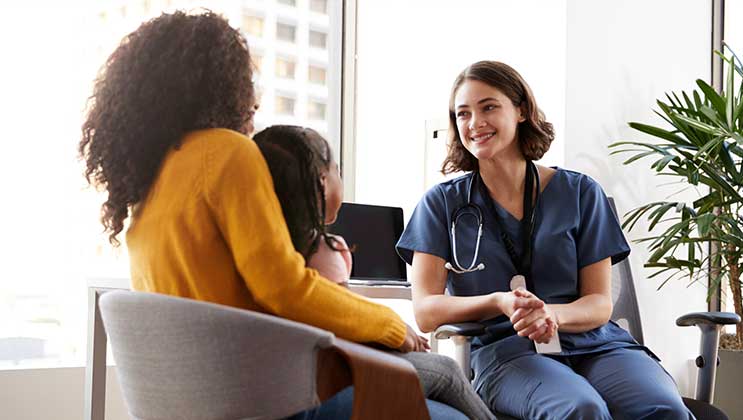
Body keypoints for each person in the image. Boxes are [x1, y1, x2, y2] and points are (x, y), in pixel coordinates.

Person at [78, 11, 464, 419]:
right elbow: (283, 288)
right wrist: (388, 324)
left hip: (196, 402)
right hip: (263, 398)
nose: (253, 98)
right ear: (221, 83)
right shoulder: (227, 152)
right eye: (245, 82)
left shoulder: (146, 184)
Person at [396, 60, 694, 420]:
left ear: (521, 110)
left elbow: (599, 303)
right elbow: (426, 311)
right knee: (581, 409)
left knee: (663, 410)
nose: (475, 123)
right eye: (463, 114)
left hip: (595, 345)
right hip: (507, 352)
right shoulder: (442, 204)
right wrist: (500, 302)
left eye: (488, 107)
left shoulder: (580, 193)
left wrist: (550, 314)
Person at [252, 125, 496, 420]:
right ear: (322, 183)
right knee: (447, 371)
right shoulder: (325, 251)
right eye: (337, 172)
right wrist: (394, 337)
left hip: (282, 377)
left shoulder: (257, 250)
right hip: (336, 373)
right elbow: (342, 325)